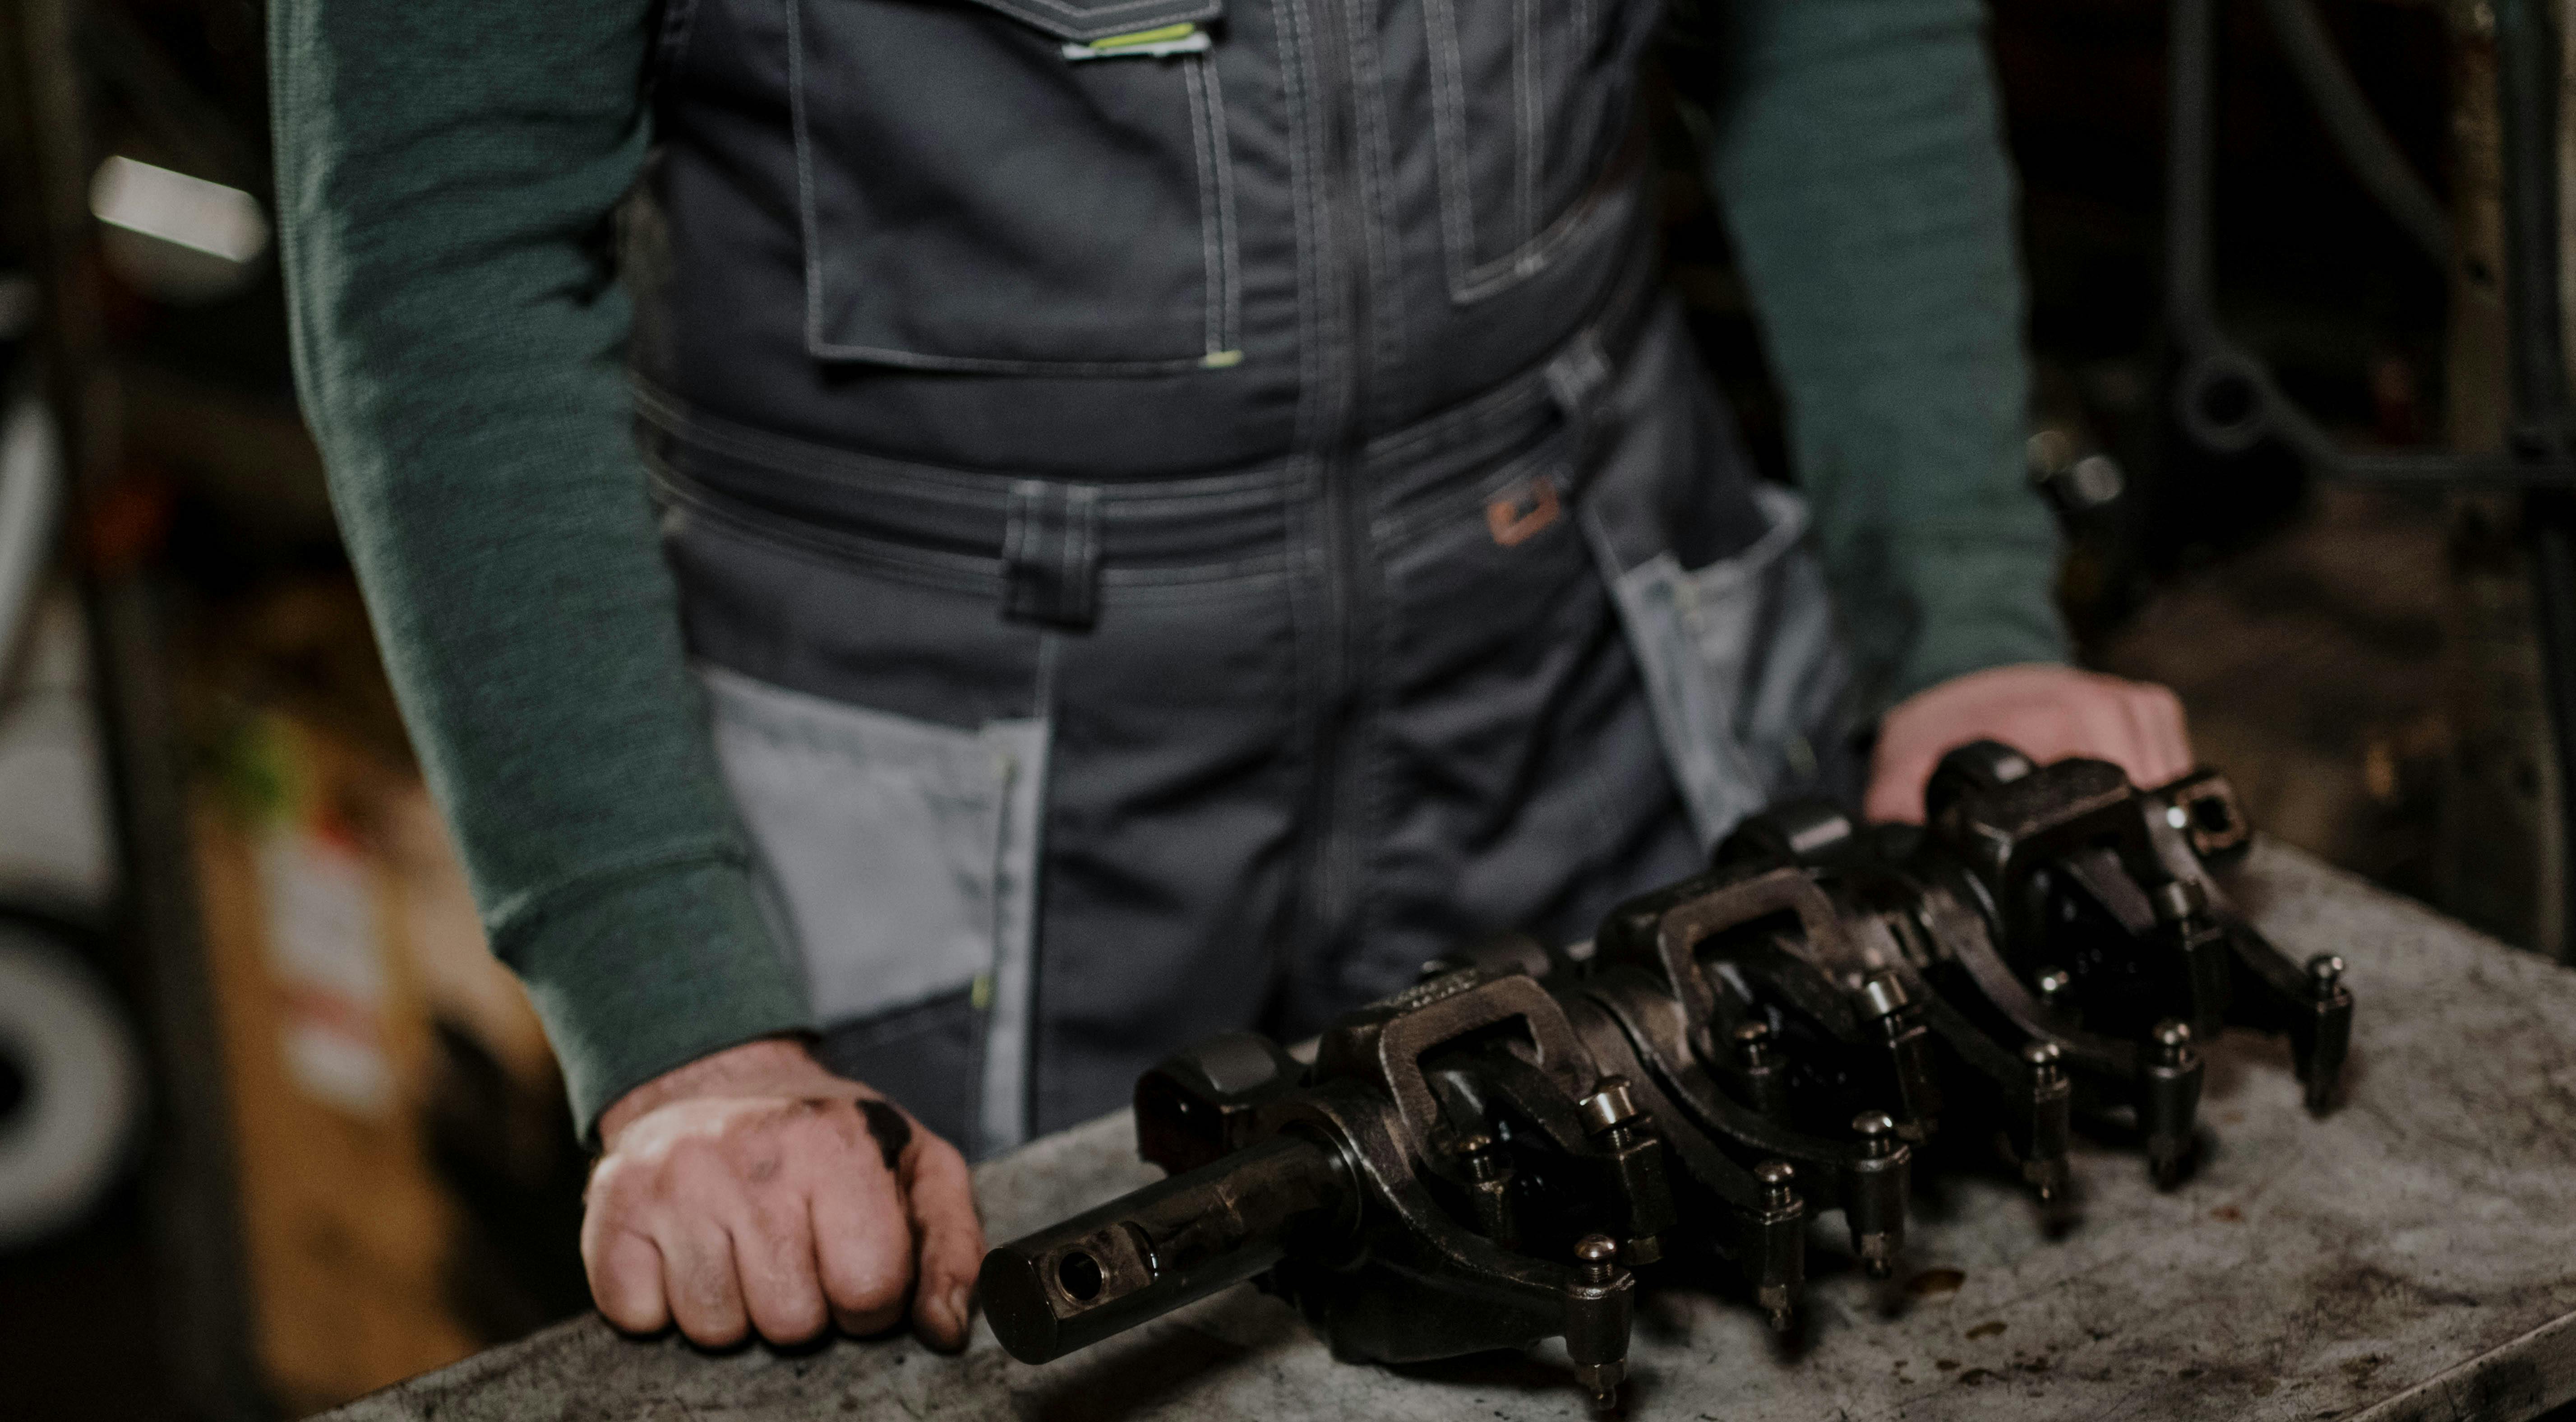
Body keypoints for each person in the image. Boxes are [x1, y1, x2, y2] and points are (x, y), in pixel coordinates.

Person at [271, 0, 2189, 1353]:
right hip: (954, 799)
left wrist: (1968, 620)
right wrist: (683, 1026)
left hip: (1578, 653)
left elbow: (1842, 31)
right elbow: (445, 235)